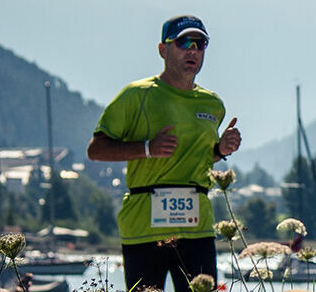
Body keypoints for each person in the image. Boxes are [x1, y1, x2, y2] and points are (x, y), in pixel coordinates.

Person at [87, 15, 241, 292]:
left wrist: (221, 149)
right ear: (162, 50)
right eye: (184, 42)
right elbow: (96, 150)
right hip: (144, 228)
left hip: (198, 229)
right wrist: (146, 148)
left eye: (200, 43)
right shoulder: (136, 95)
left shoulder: (213, 104)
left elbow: (199, 156)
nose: (193, 50)